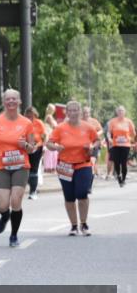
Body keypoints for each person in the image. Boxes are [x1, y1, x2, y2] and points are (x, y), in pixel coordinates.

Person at [0, 90, 37, 247]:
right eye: (8, 99)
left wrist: (26, 145)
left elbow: (32, 148)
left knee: (16, 201)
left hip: (20, 166)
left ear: (19, 101)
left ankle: (14, 235)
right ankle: (4, 216)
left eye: (14, 99)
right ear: (4, 102)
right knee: (2, 205)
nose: (11, 101)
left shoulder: (26, 123)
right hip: (1, 166)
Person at [46, 101, 99, 236]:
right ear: (67, 113)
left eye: (76, 110)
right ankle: (74, 226)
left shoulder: (88, 127)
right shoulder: (60, 128)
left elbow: (97, 140)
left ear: (80, 112)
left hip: (83, 164)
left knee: (82, 193)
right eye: (70, 110)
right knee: (69, 196)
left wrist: (92, 147)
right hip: (65, 166)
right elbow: (49, 143)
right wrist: (56, 147)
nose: (73, 113)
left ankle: (84, 223)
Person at [107, 106, 136, 187]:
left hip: (125, 145)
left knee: (123, 162)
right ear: (117, 112)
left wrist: (131, 139)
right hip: (115, 144)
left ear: (124, 112)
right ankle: (119, 177)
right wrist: (109, 138)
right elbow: (109, 132)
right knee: (116, 162)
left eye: (122, 110)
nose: (120, 112)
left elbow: (134, 133)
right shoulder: (112, 121)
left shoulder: (128, 121)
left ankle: (123, 179)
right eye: (119, 111)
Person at [25, 106, 46, 199]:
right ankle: (32, 186)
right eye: (28, 115)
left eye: (32, 115)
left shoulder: (39, 123)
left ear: (35, 115)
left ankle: (33, 192)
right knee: (26, 169)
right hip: (26, 147)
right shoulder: (24, 123)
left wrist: (42, 145)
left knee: (34, 169)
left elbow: (43, 136)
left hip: (37, 147)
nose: (30, 117)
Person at [43, 103, 60, 172]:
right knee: (50, 152)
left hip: (51, 135)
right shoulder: (49, 117)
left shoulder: (49, 116)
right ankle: (49, 167)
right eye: (53, 109)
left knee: (52, 152)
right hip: (50, 135)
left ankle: (52, 167)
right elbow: (54, 126)